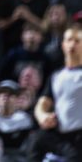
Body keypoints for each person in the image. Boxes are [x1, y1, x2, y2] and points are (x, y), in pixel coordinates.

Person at [28, 23, 82, 161]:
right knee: (36, 141)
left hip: (79, 136)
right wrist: (42, 116)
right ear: (63, 45)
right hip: (60, 134)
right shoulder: (56, 76)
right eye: (69, 40)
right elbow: (43, 102)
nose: (72, 44)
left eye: (77, 41)